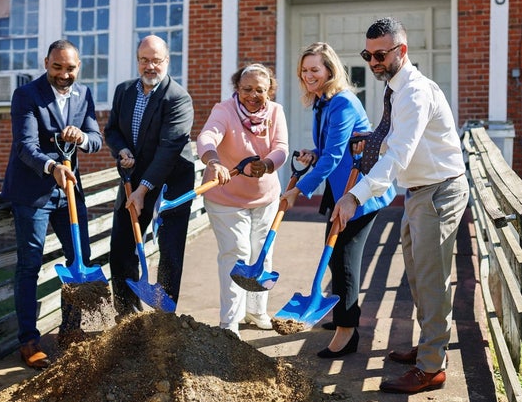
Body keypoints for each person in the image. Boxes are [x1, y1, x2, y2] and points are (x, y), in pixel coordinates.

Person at [331, 17, 469, 393]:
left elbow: (398, 157)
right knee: (417, 276)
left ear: (401, 51)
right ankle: (429, 348)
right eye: (367, 54)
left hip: (438, 191)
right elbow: (388, 136)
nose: (373, 62)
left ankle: (431, 368)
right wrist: (369, 138)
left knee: (431, 280)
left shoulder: (415, 92)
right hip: (418, 192)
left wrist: (355, 195)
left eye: (380, 54)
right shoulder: (393, 87)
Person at [280, 42, 395, 358]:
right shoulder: (322, 102)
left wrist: (298, 189)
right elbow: (332, 151)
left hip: (360, 189)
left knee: (345, 256)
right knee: (335, 255)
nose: (308, 75)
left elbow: (333, 156)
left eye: (315, 69)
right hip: (340, 186)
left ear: (330, 70)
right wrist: (312, 155)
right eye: (304, 70)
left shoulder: (342, 103)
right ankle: (341, 316)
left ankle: (347, 332)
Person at [2, 39, 103, 368]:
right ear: (46, 63)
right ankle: (29, 342)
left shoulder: (83, 94)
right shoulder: (27, 95)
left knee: (80, 259)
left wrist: (82, 138)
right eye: (57, 67)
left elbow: (96, 139)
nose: (64, 74)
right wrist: (52, 166)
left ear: (79, 67)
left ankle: (71, 333)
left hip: (69, 192)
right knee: (30, 264)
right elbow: (25, 146)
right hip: (33, 193)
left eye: (70, 68)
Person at [196, 64, 289, 338]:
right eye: (246, 89)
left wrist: (268, 165)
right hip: (225, 197)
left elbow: (281, 148)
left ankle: (256, 310)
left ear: (269, 90)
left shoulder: (275, 111)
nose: (252, 95)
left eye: (260, 90)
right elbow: (207, 136)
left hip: (265, 196)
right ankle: (230, 322)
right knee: (236, 254)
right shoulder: (223, 110)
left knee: (262, 254)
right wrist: (213, 161)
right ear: (237, 88)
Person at [105, 35, 195, 316]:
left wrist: (143, 191)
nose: (150, 66)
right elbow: (112, 131)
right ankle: (127, 316)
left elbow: (169, 149)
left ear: (167, 61)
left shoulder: (178, 98)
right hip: (133, 179)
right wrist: (121, 150)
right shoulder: (124, 91)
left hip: (171, 183)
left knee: (169, 251)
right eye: (144, 60)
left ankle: (164, 318)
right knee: (121, 247)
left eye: (156, 60)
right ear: (137, 61)